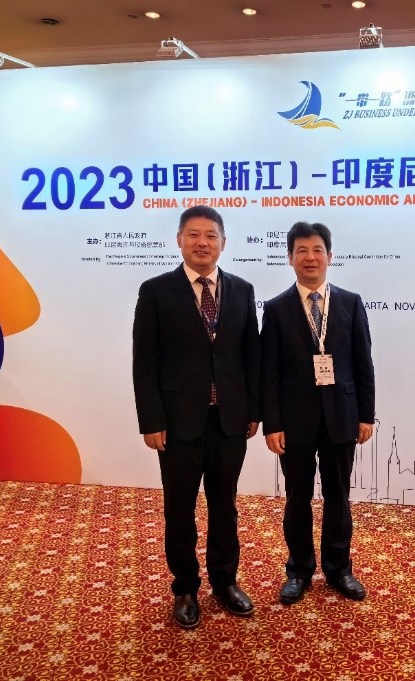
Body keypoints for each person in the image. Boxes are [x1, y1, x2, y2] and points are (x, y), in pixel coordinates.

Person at [132, 206, 260, 629]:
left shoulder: (242, 290)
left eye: (210, 235)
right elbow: (144, 363)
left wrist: (253, 410)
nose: (202, 242)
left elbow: (251, 357)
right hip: (177, 423)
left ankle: (225, 581)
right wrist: (151, 420)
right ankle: (185, 587)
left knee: (225, 505)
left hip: (229, 421)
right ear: (180, 240)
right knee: (179, 508)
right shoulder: (156, 291)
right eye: (193, 234)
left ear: (223, 242)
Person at [261, 221, 375, 605]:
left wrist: (366, 415)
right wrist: (272, 423)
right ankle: (299, 570)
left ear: (330, 256)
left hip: (342, 415)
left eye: (317, 250)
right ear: (290, 258)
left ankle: (339, 569)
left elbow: (363, 363)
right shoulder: (276, 309)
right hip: (294, 421)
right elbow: (269, 372)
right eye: (301, 251)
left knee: (338, 495)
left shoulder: (350, 303)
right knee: (297, 497)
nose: (310, 257)